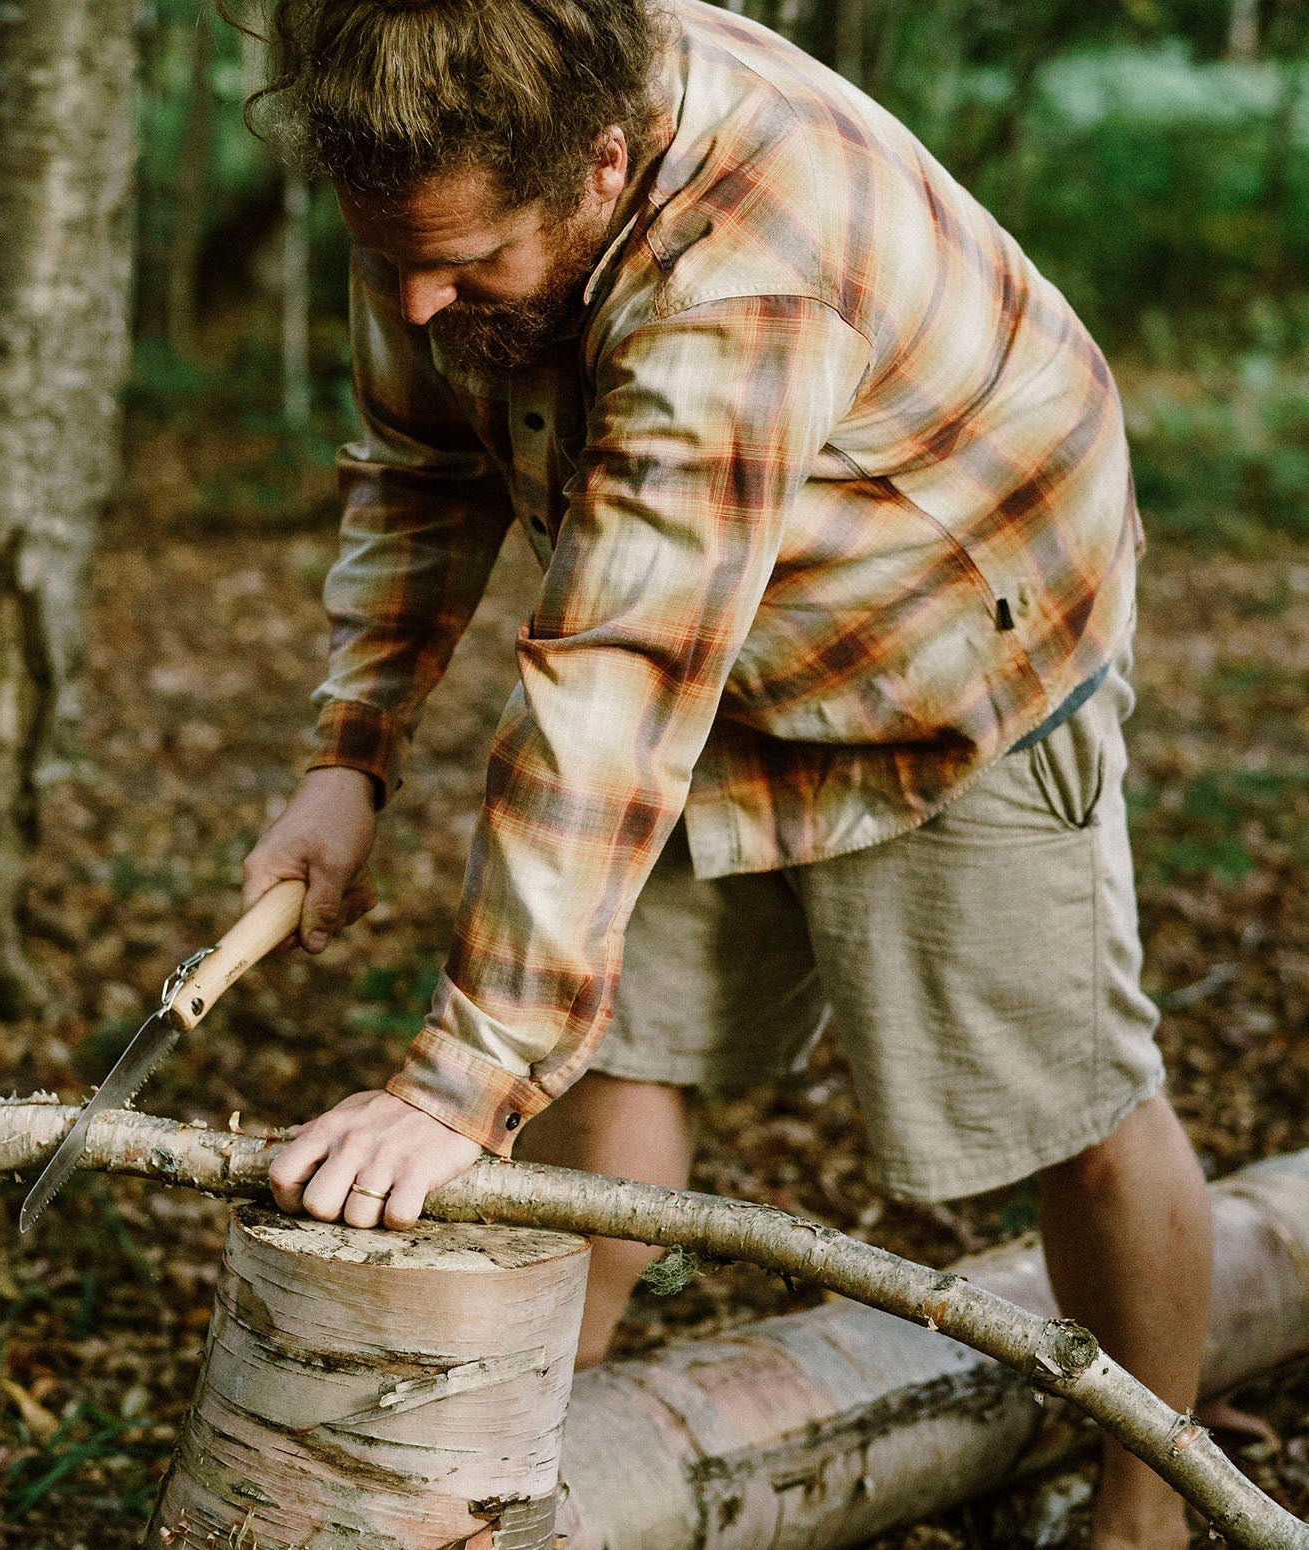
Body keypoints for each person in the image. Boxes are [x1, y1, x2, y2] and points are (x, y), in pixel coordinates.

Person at [242, 3, 1213, 1546]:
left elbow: (616, 676)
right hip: (698, 621)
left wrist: (455, 1081)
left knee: (1070, 1107)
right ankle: (527, 1464)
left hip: (947, 645)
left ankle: (1145, 1506)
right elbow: (419, 469)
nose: (416, 303)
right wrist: (345, 758)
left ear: (599, 164)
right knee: (610, 1052)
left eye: (465, 263)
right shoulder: (433, 173)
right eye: (390, 261)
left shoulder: (748, 268)